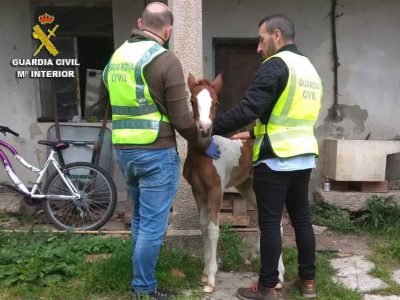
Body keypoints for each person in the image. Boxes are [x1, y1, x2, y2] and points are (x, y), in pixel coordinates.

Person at [102, 2, 220, 299]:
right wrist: (204, 142)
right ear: (168, 31)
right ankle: (143, 287)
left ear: (140, 22)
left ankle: (140, 278)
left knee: (140, 218)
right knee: (153, 225)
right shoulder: (165, 60)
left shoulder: (116, 57)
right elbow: (182, 119)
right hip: (155, 152)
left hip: (124, 151)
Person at [212, 14, 323, 300]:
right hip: (303, 156)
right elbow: (288, 114)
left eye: (261, 40)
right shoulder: (308, 68)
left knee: (270, 223)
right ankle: (308, 282)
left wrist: (211, 127)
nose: (258, 49)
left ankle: (267, 286)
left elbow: (249, 109)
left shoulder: (275, 65)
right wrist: (251, 134)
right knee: (301, 219)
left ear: (276, 35)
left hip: (275, 158)